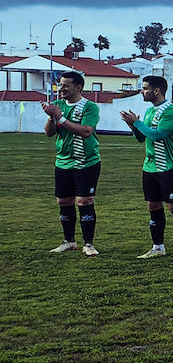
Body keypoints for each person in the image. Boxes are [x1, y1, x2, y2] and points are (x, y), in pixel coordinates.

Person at [120, 75, 173, 261]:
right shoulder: (149, 111)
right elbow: (142, 138)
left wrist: (137, 123)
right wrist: (133, 126)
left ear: (156, 91)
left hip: (169, 167)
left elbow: (158, 135)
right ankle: (158, 247)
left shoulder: (172, 110)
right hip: (150, 167)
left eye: (145, 88)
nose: (142, 91)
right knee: (153, 205)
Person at [41, 70, 102, 256]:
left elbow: (86, 131)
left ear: (78, 87)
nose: (62, 89)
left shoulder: (90, 107)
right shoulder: (58, 105)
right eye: (60, 85)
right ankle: (69, 241)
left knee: (84, 201)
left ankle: (89, 244)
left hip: (86, 162)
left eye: (66, 85)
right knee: (64, 201)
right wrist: (51, 116)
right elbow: (49, 133)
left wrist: (60, 117)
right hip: (63, 162)